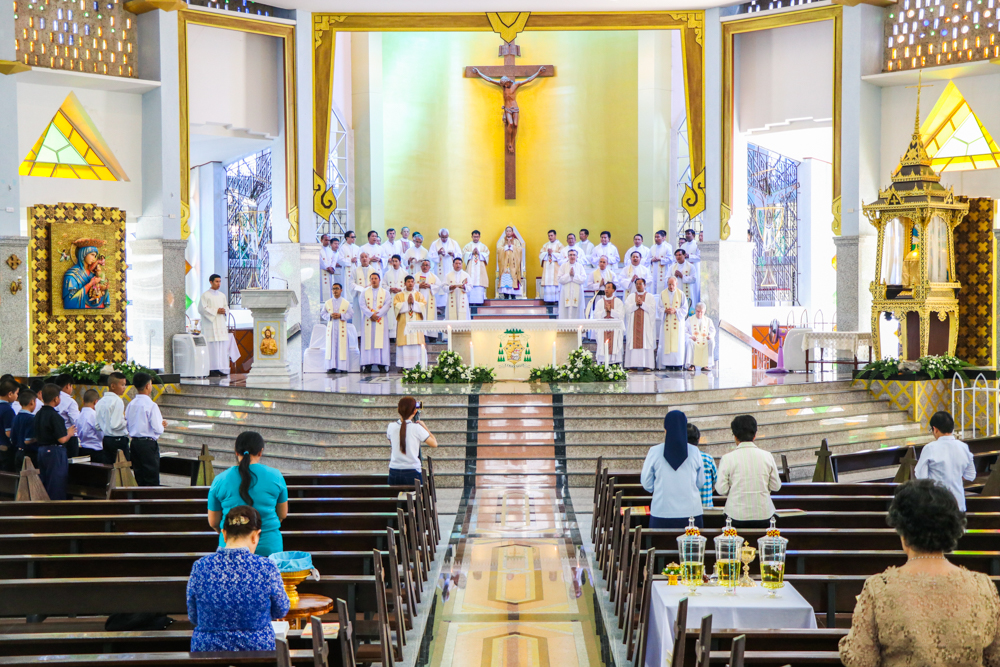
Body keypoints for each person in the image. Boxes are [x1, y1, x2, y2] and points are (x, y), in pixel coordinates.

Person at [839, 479, 1000, 667]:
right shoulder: (982, 587)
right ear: (951, 529)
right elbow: (995, 657)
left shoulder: (879, 588)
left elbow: (861, 660)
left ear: (903, 531)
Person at [188, 505, 290, 652]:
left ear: (224, 534)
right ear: (255, 536)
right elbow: (281, 609)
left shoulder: (200, 566)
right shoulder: (266, 567)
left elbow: (193, 615)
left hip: (207, 651)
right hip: (257, 649)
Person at [207, 432, 288, 557]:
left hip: (231, 546)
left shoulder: (220, 480)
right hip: (268, 546)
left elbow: (213, 522)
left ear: (236, 452)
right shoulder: (276, 476)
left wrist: (229, 533)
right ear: (260, 452)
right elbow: (282, 515)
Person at [641, 410, 705, 528]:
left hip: (661, 512)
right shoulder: (694, 451)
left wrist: (659, 489)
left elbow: (646, 483)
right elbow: (700, 482)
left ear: (665, 430)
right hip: (691, 514)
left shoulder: (654, 451)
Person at [716, 415, 781, 528]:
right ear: (755, 435)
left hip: (735, 515)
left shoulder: (727, 458)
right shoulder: (767, 456)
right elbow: (776, 486)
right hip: (764, 514)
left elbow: (721, 490)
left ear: (735, 436)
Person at [915, 411, 976, 511]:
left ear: (935, 429)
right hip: (958, 503)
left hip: (937, 504)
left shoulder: (930, 448)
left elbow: (922, 478)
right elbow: (970, 475)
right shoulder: (964, 447)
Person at [35, 383, 76, 500]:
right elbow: (62, 439)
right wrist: (69, 433)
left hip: (41, 450)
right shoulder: (55, 416)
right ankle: (55, 509)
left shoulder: (38, 414)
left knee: (45, 482)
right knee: (56, 484)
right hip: (54, 452)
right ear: (56, 399)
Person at [125, 372, 166, 486]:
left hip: (135, 443)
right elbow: (158, 429)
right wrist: (162, 425)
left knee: (139, 477)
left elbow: (127, 423)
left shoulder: (131, 404)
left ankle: (139, 497)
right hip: (148, 445)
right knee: (151, 478)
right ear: (148, 386)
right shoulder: (151, 405)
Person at [387, 396, 438, 487]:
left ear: (398, 409)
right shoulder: (417, 428)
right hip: (412, 472)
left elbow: (393, 443)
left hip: (394, 471)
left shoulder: (391, 426)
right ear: (414, 411)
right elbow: (434, 443)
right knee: (417, 495)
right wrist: (425, 427)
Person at [321, 283, 359, 374]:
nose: (335, 291)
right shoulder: (327, 302)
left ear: (341, 290)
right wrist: (330, 315)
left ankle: (342, 367)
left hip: (341, 328)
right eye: (333, 289)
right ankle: (331, 367)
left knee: (342, 346)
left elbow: (351, 314)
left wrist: (341, 315)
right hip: (332, 328)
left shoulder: (346, 303)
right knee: (331, 346)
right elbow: (322, 313)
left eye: (337, 288)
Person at [197, 274, 230, 378]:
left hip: (220, 325)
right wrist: (216, 311)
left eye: (220, 281)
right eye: (216, 281)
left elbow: (226, 307)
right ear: (211, 282)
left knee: (220, 348)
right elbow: (202, 309)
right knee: (212, 348)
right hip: (210, 326)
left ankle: (220, 368)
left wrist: (224, 311)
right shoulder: (205, 295)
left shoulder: (222, 295)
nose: (219, 284)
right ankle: (211, 369)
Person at [359, 272, 392, 373]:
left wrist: (378, 314)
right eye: (372, 279)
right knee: (368, 341)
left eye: (375, 278)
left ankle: (381, 365)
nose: (373, 280)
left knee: (381, 341)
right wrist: (370, 314)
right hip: (368, 320)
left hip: (380, 319)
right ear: (370, 280)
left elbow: (387, 304)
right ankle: (367, 365)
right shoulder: (364, 292)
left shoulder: (385, 292)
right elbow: (362, 305)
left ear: (379, 280)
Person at [393, 276, 427, 369]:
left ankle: (418, 365)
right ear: (404, 283)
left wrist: (414, 303)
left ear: (414, 283)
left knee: (416, 343)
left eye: (412, 281)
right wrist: (406, 303)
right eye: (408, 281)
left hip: (416, 325)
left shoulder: (419, 295)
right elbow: (396, 307)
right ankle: (403, 366)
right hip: (404, 324)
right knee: (404, 344)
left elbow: (423, 306)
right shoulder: (399, 295)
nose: (410, 283)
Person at [624, 277, 657, 370]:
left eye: (640, 284)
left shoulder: (650, 297)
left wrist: (642, 304)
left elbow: (653, 311)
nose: (638, 286)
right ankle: (632, 366)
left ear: (645, 285)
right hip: (633, 325)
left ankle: (647, 366)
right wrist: (635, 305)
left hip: (646, 326)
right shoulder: (631, 297)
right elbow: (627, 309)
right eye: (637, 284)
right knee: (633, 342)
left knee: (646, 342)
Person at [96, 372, 129, 464]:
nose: (124, 387)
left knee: (108, 467)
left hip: (106, 439)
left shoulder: (100, 401)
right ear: (113, 386)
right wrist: (127, 422)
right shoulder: (117, 401)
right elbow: (115, 425)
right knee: (122, 469)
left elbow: (97, 426)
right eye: (122, 385)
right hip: (118, 440)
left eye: (125, 385)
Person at [658, 276, 688, 370]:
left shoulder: (681, 294)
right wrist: (665, 311)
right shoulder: (663, 294)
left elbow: (685, 309)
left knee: (678, 343)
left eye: (673, 285)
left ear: (677, 284)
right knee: (666, 342)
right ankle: (668, 364)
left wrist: (675, 310)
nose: (671, 286)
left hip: (677, 323)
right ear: (667, 284)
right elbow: (659, 308)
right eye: (669, 284)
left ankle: (678, 364)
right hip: (667, 322)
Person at [591, 282, 624, 364]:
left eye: (609, 288)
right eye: (605, 287)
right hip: (603, 329)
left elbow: (621, 316)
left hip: (615, 330)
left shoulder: (618, 301)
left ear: (613, 290)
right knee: (602, 345)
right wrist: (605, 311)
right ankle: (603, 361)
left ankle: (615, 362)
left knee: (615, 344)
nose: (606, 289)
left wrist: (611, 311)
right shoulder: (600, 302)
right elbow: (596, 315)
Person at [688, 423, 717, 509]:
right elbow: (716, 483)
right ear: (699, 439)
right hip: (706, 510)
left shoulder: (679, 460)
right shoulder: (708, 459)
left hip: (686, 511)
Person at [54, 374, 80, 458]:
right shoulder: (70, 402)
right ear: (68, 386)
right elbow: (76, 421)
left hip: (55, 436)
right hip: (69, 437)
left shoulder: (52, 398)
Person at [12, 389, 37, 473]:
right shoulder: (31, 419)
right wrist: (38, 438)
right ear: (32, 402)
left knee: (19, 477)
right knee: (30, 478)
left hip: (18, 452)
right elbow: (28, 440)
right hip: (29, 454)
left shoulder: (16, 417)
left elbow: (12, 439)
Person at [669, 248, 700, 316]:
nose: (678, 257)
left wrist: (682, 276)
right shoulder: (672, 267)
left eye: (680, 255)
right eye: (676, 255)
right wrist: (674, 277)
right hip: (676, 292)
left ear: (685, 255)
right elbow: (667, 279)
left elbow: (694, 279)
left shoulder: (691, 266)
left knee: (688, 312)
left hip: (687, 292)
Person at [685, 302, 716, 371]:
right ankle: (691, 364)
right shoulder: (689, 319)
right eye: (698, 311)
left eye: (701, 312)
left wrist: (710, 336)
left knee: (711, 341)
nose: (699, 313)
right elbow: (684, 331)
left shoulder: (708, 320)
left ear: (705, 311)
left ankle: (706, 364)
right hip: (694, 339)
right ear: (695, 310)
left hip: (704, 340)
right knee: (689, 341)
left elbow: (713, 331)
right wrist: (690, 336)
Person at [497, 225, 525, 299]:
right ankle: (505, 296)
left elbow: (519, 250)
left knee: (513, 280)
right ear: (505, 232)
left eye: (510, 231)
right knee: (505, 281)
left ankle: (513, 296)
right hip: (505, 266)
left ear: (512, 232)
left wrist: (512, 247)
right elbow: (499, 249)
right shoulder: (502, 241)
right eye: (507, 231)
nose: (508, 232)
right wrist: (506, 247)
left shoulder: (516, 241)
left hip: (513, 265)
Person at [462, 230, 490, 305]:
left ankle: (479, 303)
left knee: (479, 287)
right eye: (474, 237)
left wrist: (479, 253)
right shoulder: (468, 246)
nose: (476, 238)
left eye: (477, 237)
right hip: (470, 268)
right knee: (470, 284)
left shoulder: (483, 246)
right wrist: (471, 253)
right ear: (472, 236)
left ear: (479, 237)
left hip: (480, 270)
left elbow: (487, 254)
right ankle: (470, 303)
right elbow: (464, 254)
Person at [383, 255, 407, 338]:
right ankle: (391, 336)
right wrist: (390, 288)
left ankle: (401, 333)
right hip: (391, 296)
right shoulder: (387, 273)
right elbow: (383, 285)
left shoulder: (405, 273)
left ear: (400, 262)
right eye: (393, 261)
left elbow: (408, 285)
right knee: (391, 315)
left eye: (396, 261)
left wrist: (400, 289)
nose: (394, 263)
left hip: (401, 297)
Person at [558, 249, 587, 320]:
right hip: (565, 293)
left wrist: (574, 276)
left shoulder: (580, 266)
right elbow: (559, 279)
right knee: (565, 312)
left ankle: (578, 327)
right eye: (570, 255)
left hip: (578, 293)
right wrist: (569, 275)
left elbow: (583, 279)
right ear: (568, 256)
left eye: (574, 255)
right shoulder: (563, 266)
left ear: (577, 257)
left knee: (578, 311)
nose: (572, 256)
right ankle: (565, 326)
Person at [75, 389, 103, 461]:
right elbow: (101, 434)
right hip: (96, 450)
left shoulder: (79, 416)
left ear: (83, 401)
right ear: (96, 402)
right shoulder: (95, 415)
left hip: (82, 448)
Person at [539, 229, 564, 303]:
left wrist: (552, 254)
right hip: (547, 269)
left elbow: (562, 256)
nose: (550, 237)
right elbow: (540, 255)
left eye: (551, 235)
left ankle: (556, 300)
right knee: (548, 284)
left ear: (555, 235)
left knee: (555, 283)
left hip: (556, 269)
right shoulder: (545, 245)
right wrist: (547, 253)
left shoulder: (560, 245)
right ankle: (548, 300)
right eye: (549, 236)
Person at [444, 256, 471, 322]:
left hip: (462, 297)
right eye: (456, 263)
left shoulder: (466, 275)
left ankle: (463, 328)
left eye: (459, 263)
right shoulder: (448, 275)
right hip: (452, 297)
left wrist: (464, 287)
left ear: (462, 265)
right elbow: (443, 286)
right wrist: (450, 288)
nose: (458, 265)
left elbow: (470, 286)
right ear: (453, 265)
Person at [416, 259, 440, 327]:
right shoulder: (415, 276)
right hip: (419, 298)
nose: (425, 267)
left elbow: (438, 286)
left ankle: (430, 332)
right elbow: (411, 286)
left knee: (429, 314)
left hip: (430, 298)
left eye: (427, 265)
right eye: (423, 265)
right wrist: (419, 286)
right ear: (421, 266)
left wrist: (430, 286)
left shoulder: (434, 277)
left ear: (430, 267)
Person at [0, 379, 17, 472]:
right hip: (5, 450)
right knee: (7, 476)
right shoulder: (8, 410)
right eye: (16, 393)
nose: (17, 396)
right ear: (10, 394)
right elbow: (9, 433)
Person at [319, 234, 340, 303]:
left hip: (329, 273)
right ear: (321, 240)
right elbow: (320, 260)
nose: (327, 242)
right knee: (322, 288)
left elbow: (334, 260)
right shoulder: (318, 250)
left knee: (330, 288)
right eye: (326, 240)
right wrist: (327, 267)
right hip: (322, 272)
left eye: (328, 240)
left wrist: (332, 268)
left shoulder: (330, 250)